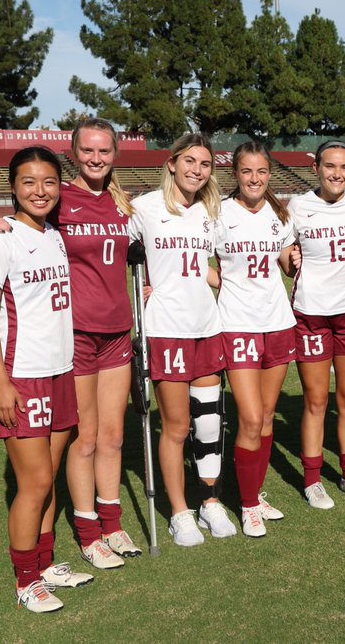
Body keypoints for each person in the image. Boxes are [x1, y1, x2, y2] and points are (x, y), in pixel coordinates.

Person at [0, 118, 139, 569]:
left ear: (115, 155)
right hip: (74, 339)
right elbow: (18, 226)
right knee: (83, 440)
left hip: (117, 332)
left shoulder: (125, 204)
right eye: (87, 150)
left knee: (111, 435)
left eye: (104, 151)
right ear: (73, 152)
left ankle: (112, 521)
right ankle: (87, 532)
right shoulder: (60, 200)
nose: (96, 158)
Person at [0, 146, 93, 613]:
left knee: (50, 478)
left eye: (48, 181)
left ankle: (43, 565)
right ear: (12, 187)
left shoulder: (54, 235)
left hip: (59, 370)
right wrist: (2, 383)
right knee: (36, 480)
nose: (40, 190)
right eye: (28, 181)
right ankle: (26, 581)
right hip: (20, 377)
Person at [129, 133, 234, 546]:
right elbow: (111, 247)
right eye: (189, 161)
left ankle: (209, 501)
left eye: (205, 164)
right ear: (171, 163)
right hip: (167, 329)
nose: (197, 170)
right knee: (175, 426)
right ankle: (179, 512)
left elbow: (204, 265)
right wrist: (138, 288)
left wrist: (231, 284)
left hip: (207, 326)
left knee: (209, 423)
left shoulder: (211, 210)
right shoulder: (144, 208)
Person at [287, 140, 345, 510]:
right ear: (316, 167)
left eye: (344, 167)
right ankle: (312, 480)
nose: (336, 174)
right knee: (316, 400)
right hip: (310, 313)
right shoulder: (295, 206)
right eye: (329, 166)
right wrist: (288, 261)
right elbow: (283, 251)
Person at [212, 142, 295, 537]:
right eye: (247, 171)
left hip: (278, 322)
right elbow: (198, 263)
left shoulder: (279, 214)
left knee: (264, 417)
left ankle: (255, 492)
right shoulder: (218, 213)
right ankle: (247, 507)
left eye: (261, 172)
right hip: (238, 324)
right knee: (248, 417)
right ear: (235, 174)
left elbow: (283, 259)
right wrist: (223, 281)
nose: (255, 178)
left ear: (269, 174)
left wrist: (292, 262)